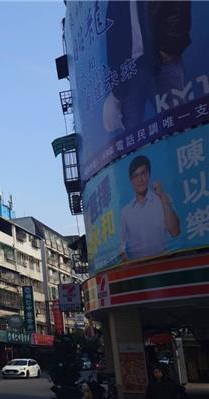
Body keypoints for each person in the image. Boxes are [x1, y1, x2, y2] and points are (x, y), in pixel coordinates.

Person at [103, 1, 192, 132]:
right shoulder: (115, 3)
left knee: (176, 122)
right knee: (132, 132)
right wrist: (116, 87)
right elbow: (112, 38)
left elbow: (178, 8)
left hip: (162, 62)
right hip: (130, 71)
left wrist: (169, 49)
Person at [120, 156, 180, 261]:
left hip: (165, 262)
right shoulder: (126, 212)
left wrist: (162, 197)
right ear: (131, 181)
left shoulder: (163, 199)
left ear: (148, 174)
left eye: (143, 173)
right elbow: (122, 247)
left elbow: (175, 231)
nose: (140, 179)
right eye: (135, 176)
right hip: (139, 267)